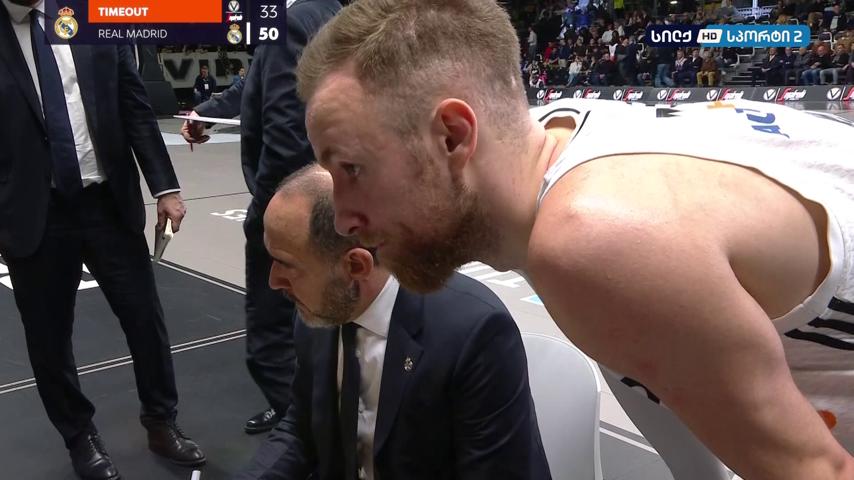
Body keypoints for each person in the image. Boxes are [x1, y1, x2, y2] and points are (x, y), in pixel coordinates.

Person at [294, 1, 854, 479]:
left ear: (453, 136)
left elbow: (818, 469)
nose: (342, 219)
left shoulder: (595, 237)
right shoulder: (557, 142)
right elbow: (654, 375)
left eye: (352, 169)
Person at [233, 165, 551, 480]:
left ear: (355, 266)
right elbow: (300, 430)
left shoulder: (474, 334)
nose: (274, 281)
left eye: (288, 265)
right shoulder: (319, 309)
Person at [0, 0, 205, 479]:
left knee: (145, 318)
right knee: (49, 338)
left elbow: (133, 105)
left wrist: (165, 187)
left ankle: (161, 421)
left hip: (107, 203)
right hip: (35, 212)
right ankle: (79, 435)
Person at [181, 0, 342, 434]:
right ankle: (306, 412)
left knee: (270, 341)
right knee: (318, 323)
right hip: (335, 201)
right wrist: (209, 112)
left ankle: (306, 436)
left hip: (296, 209)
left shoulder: (292, 22)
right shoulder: (327, 12)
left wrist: (267, 217)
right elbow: (258, 80)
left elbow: (287, 138)